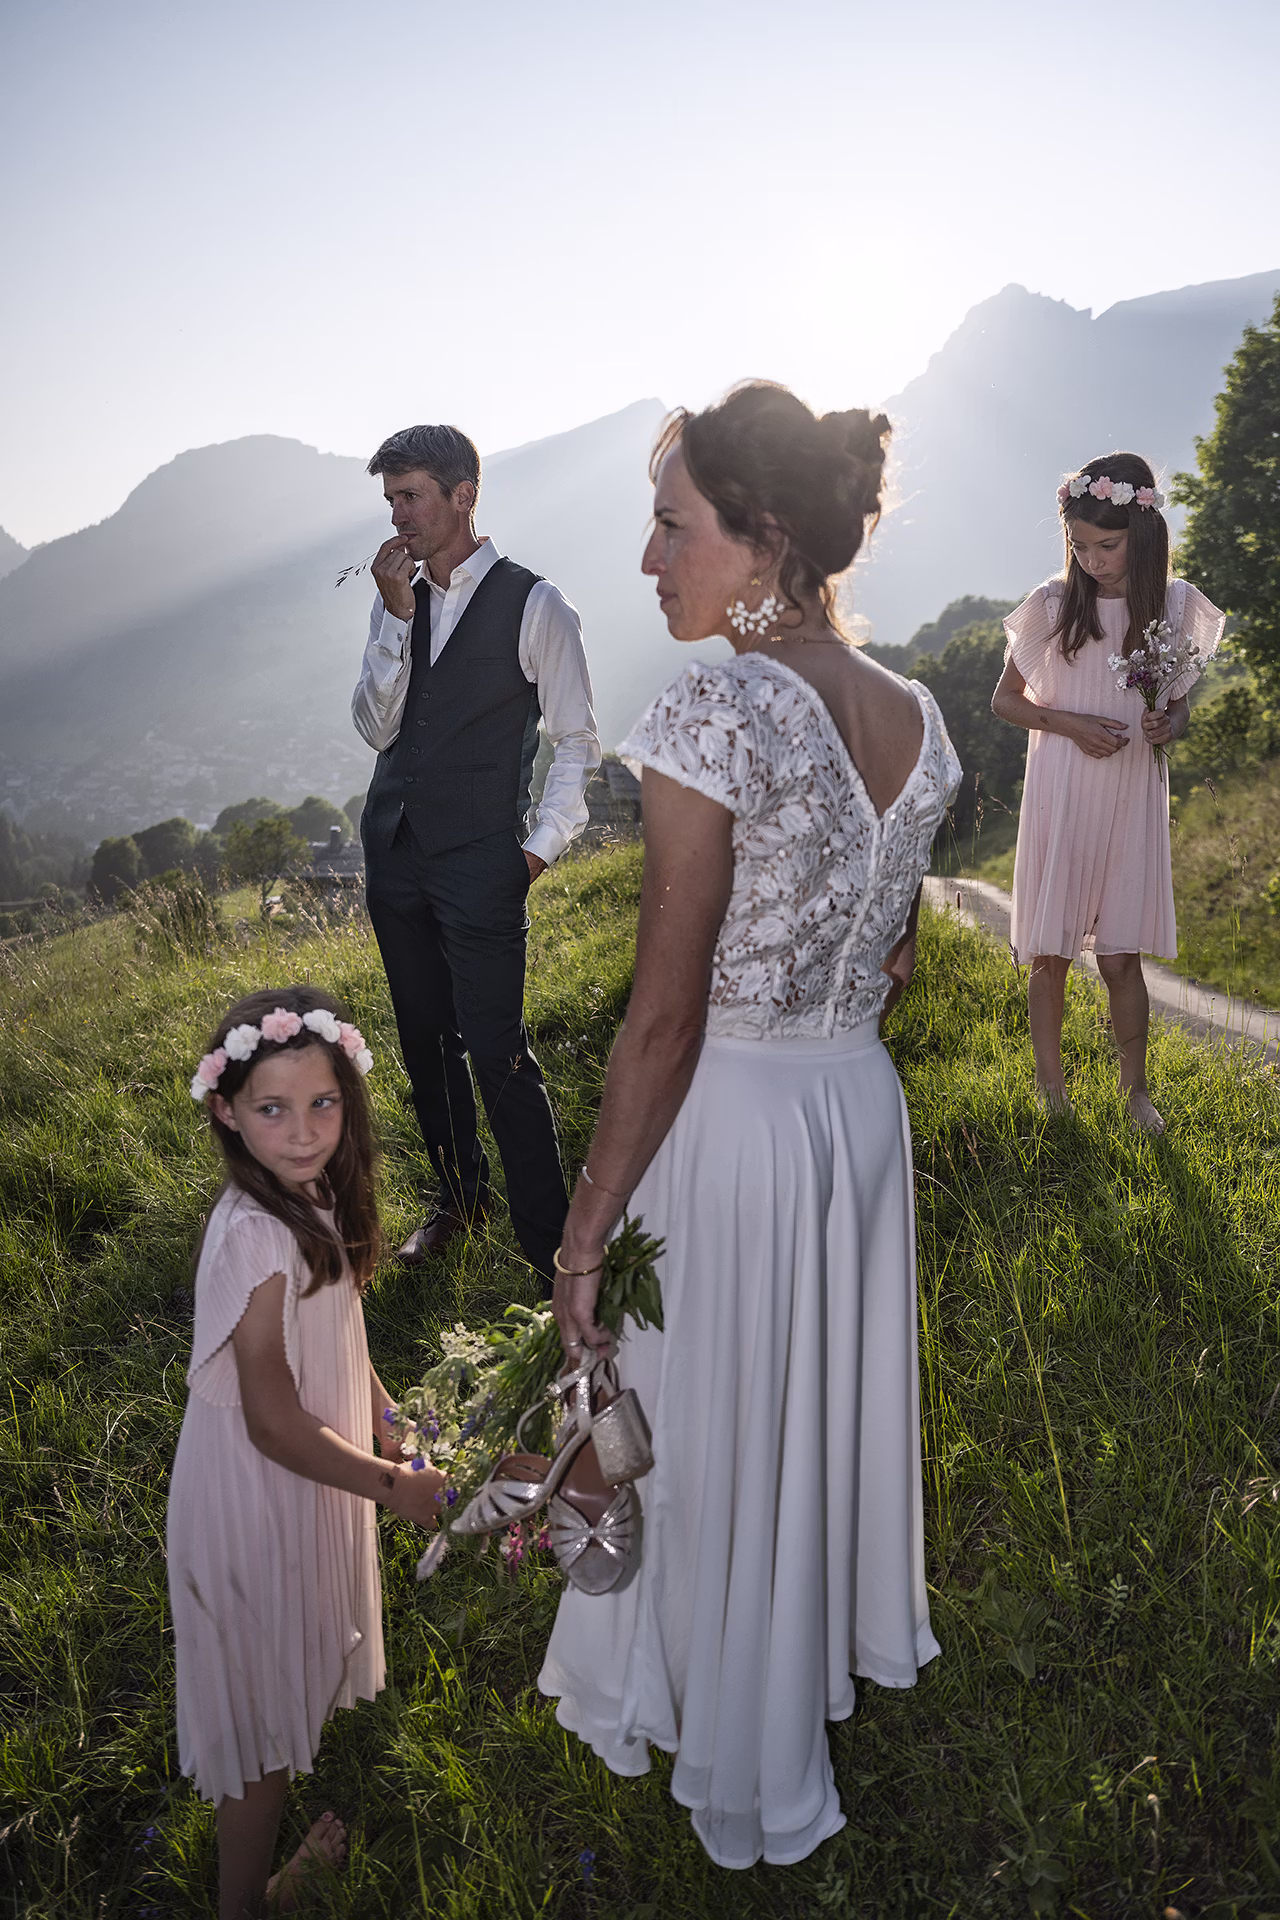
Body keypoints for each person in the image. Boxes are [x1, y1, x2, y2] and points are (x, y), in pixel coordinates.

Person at [537, 382, 962, 1869]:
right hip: (852, 1112)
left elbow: (662, 1020)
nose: (649, 559)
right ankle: (787, 1657)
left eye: (673, 526)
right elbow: (889, 943)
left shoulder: (717, 705)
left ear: (765, 536)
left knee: (707, 1424)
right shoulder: (916, 712)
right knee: (790, 1404)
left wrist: (584, 1235)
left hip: (734, 1120)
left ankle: (728, 1707)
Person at [167, 986, 445, 1920]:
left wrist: (385, 1417)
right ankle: (244, 1905)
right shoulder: (257, 1234)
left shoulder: (311, 1192)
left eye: (322, 1102)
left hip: (297, 1480)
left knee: (288, 1689)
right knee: (261, 1737)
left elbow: (337, 1335)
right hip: (252, 1498)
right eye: (272, 1109)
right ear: (226, 1112)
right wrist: (390, 1488)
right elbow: (273, 1422)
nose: (302, 1131)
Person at [351, 424, 601, 1282]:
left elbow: (577, 742)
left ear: (464, 496)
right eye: (391, 500)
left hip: (483, 862)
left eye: (411, 496)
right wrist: (394, 619)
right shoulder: (398, 597)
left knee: (497, 1050)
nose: (398, 516)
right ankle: (461, 1201)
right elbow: (376, 727)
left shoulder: (537, 604)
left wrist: (534, 853)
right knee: (425, 1042)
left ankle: (552, 1251)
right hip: (395, 854)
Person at [991, 453, 1225, 1130]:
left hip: (1129, 794)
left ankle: (1135, 1094)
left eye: (1108, 546)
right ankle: (1052, 1093)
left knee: (1121, 956)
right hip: (1063, 791)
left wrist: (1168, 724)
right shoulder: (1054, 604)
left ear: (1142, 534)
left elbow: (1178, 707)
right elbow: (1006, 701)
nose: (1092, 561)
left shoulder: (1171, 607)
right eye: (1080, 546)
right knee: (1051, 953)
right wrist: (1069, 724)